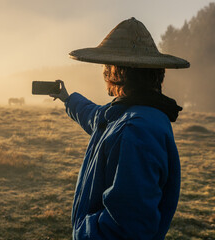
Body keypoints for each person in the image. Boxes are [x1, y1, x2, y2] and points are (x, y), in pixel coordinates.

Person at [50, 17, 189, 240]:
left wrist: (86, 233)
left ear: (117, 71)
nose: (104, 72)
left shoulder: (135, 130)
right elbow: (97, 118)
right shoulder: (136, 113)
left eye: (107, 65)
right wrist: (68, 99)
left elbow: (127, 227)